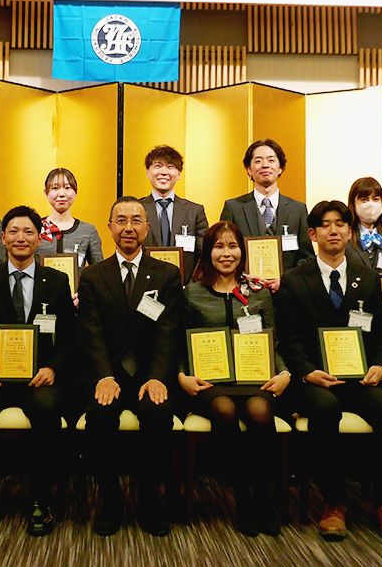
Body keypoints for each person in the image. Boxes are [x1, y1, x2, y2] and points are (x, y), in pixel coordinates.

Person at [275, 201, 382, 543]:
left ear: (350, 232)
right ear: (312, 233)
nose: (333, 231)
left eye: (340, 224)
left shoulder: (368, 278)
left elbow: (378, 335)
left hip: (359, 378)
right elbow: (289, 340)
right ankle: (334, 503)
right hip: (314, 381)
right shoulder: (294, 280)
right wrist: (307, 372)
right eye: (325, 225)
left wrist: (380, 366)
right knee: (325, 408)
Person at [0, 206, 76, 537]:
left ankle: (41, 498)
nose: (20, 238)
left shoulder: (57, 281)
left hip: (39, 377)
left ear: (39, 239)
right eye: (13, 231)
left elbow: (70, 335)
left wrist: (52, 368)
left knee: (47, 409)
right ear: (2, 238)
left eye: (28, 232)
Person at [79, 196, 183, 537]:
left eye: (136, 220)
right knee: (99, 415)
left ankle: (149, 497)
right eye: (121, 220)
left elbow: (168, 332)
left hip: (149, 374)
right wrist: (104, 376)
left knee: (158, 413)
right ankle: (110, 499)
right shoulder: (93, 275)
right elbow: (91, 332)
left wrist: (158, 377)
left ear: (147, 227)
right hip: (107, 373)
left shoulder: (167, 274)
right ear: (109, 227)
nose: (128, 227)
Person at [178, 220, 287, 537]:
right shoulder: (192, 293)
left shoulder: (258, 293)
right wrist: (182, 376)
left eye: (233, 246)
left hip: (255, 377)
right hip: (210, 382)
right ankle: (243, 498)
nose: (226, 254)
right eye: (218, 247)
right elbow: (180, 340)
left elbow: (273, 341)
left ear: (243, 250)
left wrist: (284, 373)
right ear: (207, 252)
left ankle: (264, 496)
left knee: (259, 411)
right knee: (224, 409)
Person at [220, 138, 312, 275]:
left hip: (287, 286)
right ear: (249, 170)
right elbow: (224, 251)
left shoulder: (298, 210)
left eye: (271, 160)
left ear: (280, 168)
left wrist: (286, 280)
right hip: (244, 286)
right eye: (258, 161)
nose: (265, 165)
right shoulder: (233, 208)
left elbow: (307, 257)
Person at [139, 145, 209, 278]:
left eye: (170, 167)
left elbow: (204, 254)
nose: (164, 172)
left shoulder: (195, 211)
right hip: (144, 284)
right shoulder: (137, 209)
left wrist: (192, 284)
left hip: (185, 285)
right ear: (148, 172)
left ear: (179, 174)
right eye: (158, 166)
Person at [38, 167, 103, 266]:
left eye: (67, 188)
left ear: (76, 192)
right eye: (55, 188)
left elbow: (98, 270)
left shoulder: (88, 231)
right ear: (46, 193)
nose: (62, 194)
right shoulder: (35, 228)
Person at [346, 177, 382, 276]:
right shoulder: (345, 240)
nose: (371, 204)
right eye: (364, 200)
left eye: (376, 199)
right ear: (353, 204)